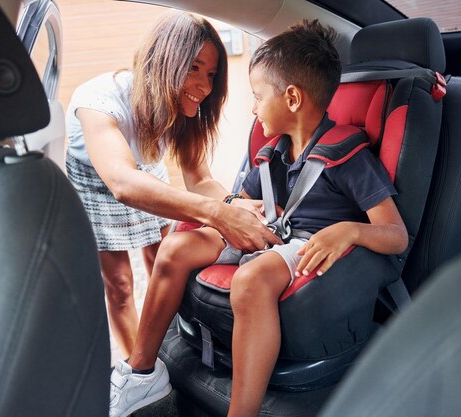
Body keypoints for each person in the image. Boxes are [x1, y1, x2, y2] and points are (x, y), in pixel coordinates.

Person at [109, 19, 409, 417]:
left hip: (311, 244)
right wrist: (233, 206)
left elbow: (396, 235)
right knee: (177, 246)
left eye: (257, 96)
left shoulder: (349, 158)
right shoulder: (271, 156)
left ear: (292, 99)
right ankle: (142, 373)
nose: (252, 107)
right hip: (268, 233)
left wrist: (348, 231)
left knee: (251, 279)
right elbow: (242, 207)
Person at [65, 12, 280, 361]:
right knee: (120, 285)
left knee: (160, 260)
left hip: (144, 169)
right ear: (164, 61)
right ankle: (138, 370)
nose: (205, 86)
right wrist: (218, 215)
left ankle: (164, 352)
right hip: (99, 180)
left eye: (210, 74)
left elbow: (199, 179)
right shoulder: (97, 99)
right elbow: (121, 181)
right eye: (194, 68)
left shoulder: (187, 109)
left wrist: (232, 203)